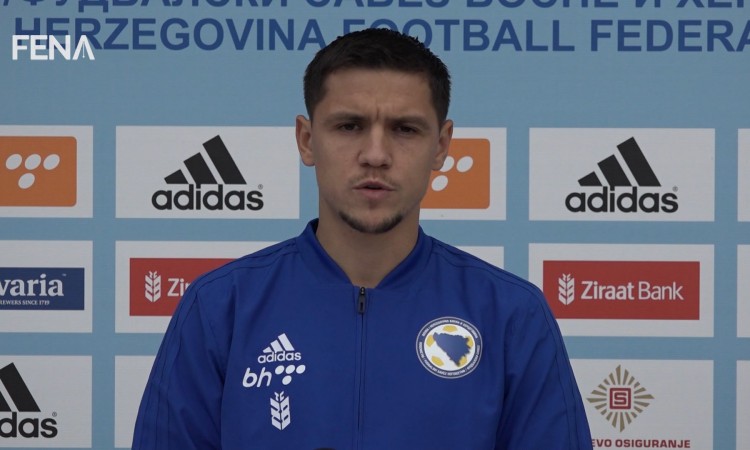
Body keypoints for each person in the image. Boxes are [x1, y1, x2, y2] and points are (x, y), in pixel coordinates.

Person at [132, 28, 592, 449]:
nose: (375, 154)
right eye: (349, 126)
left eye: (404, 129)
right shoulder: (219, 308)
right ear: (306, 139)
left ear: (441, 146)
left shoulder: (511, 315)